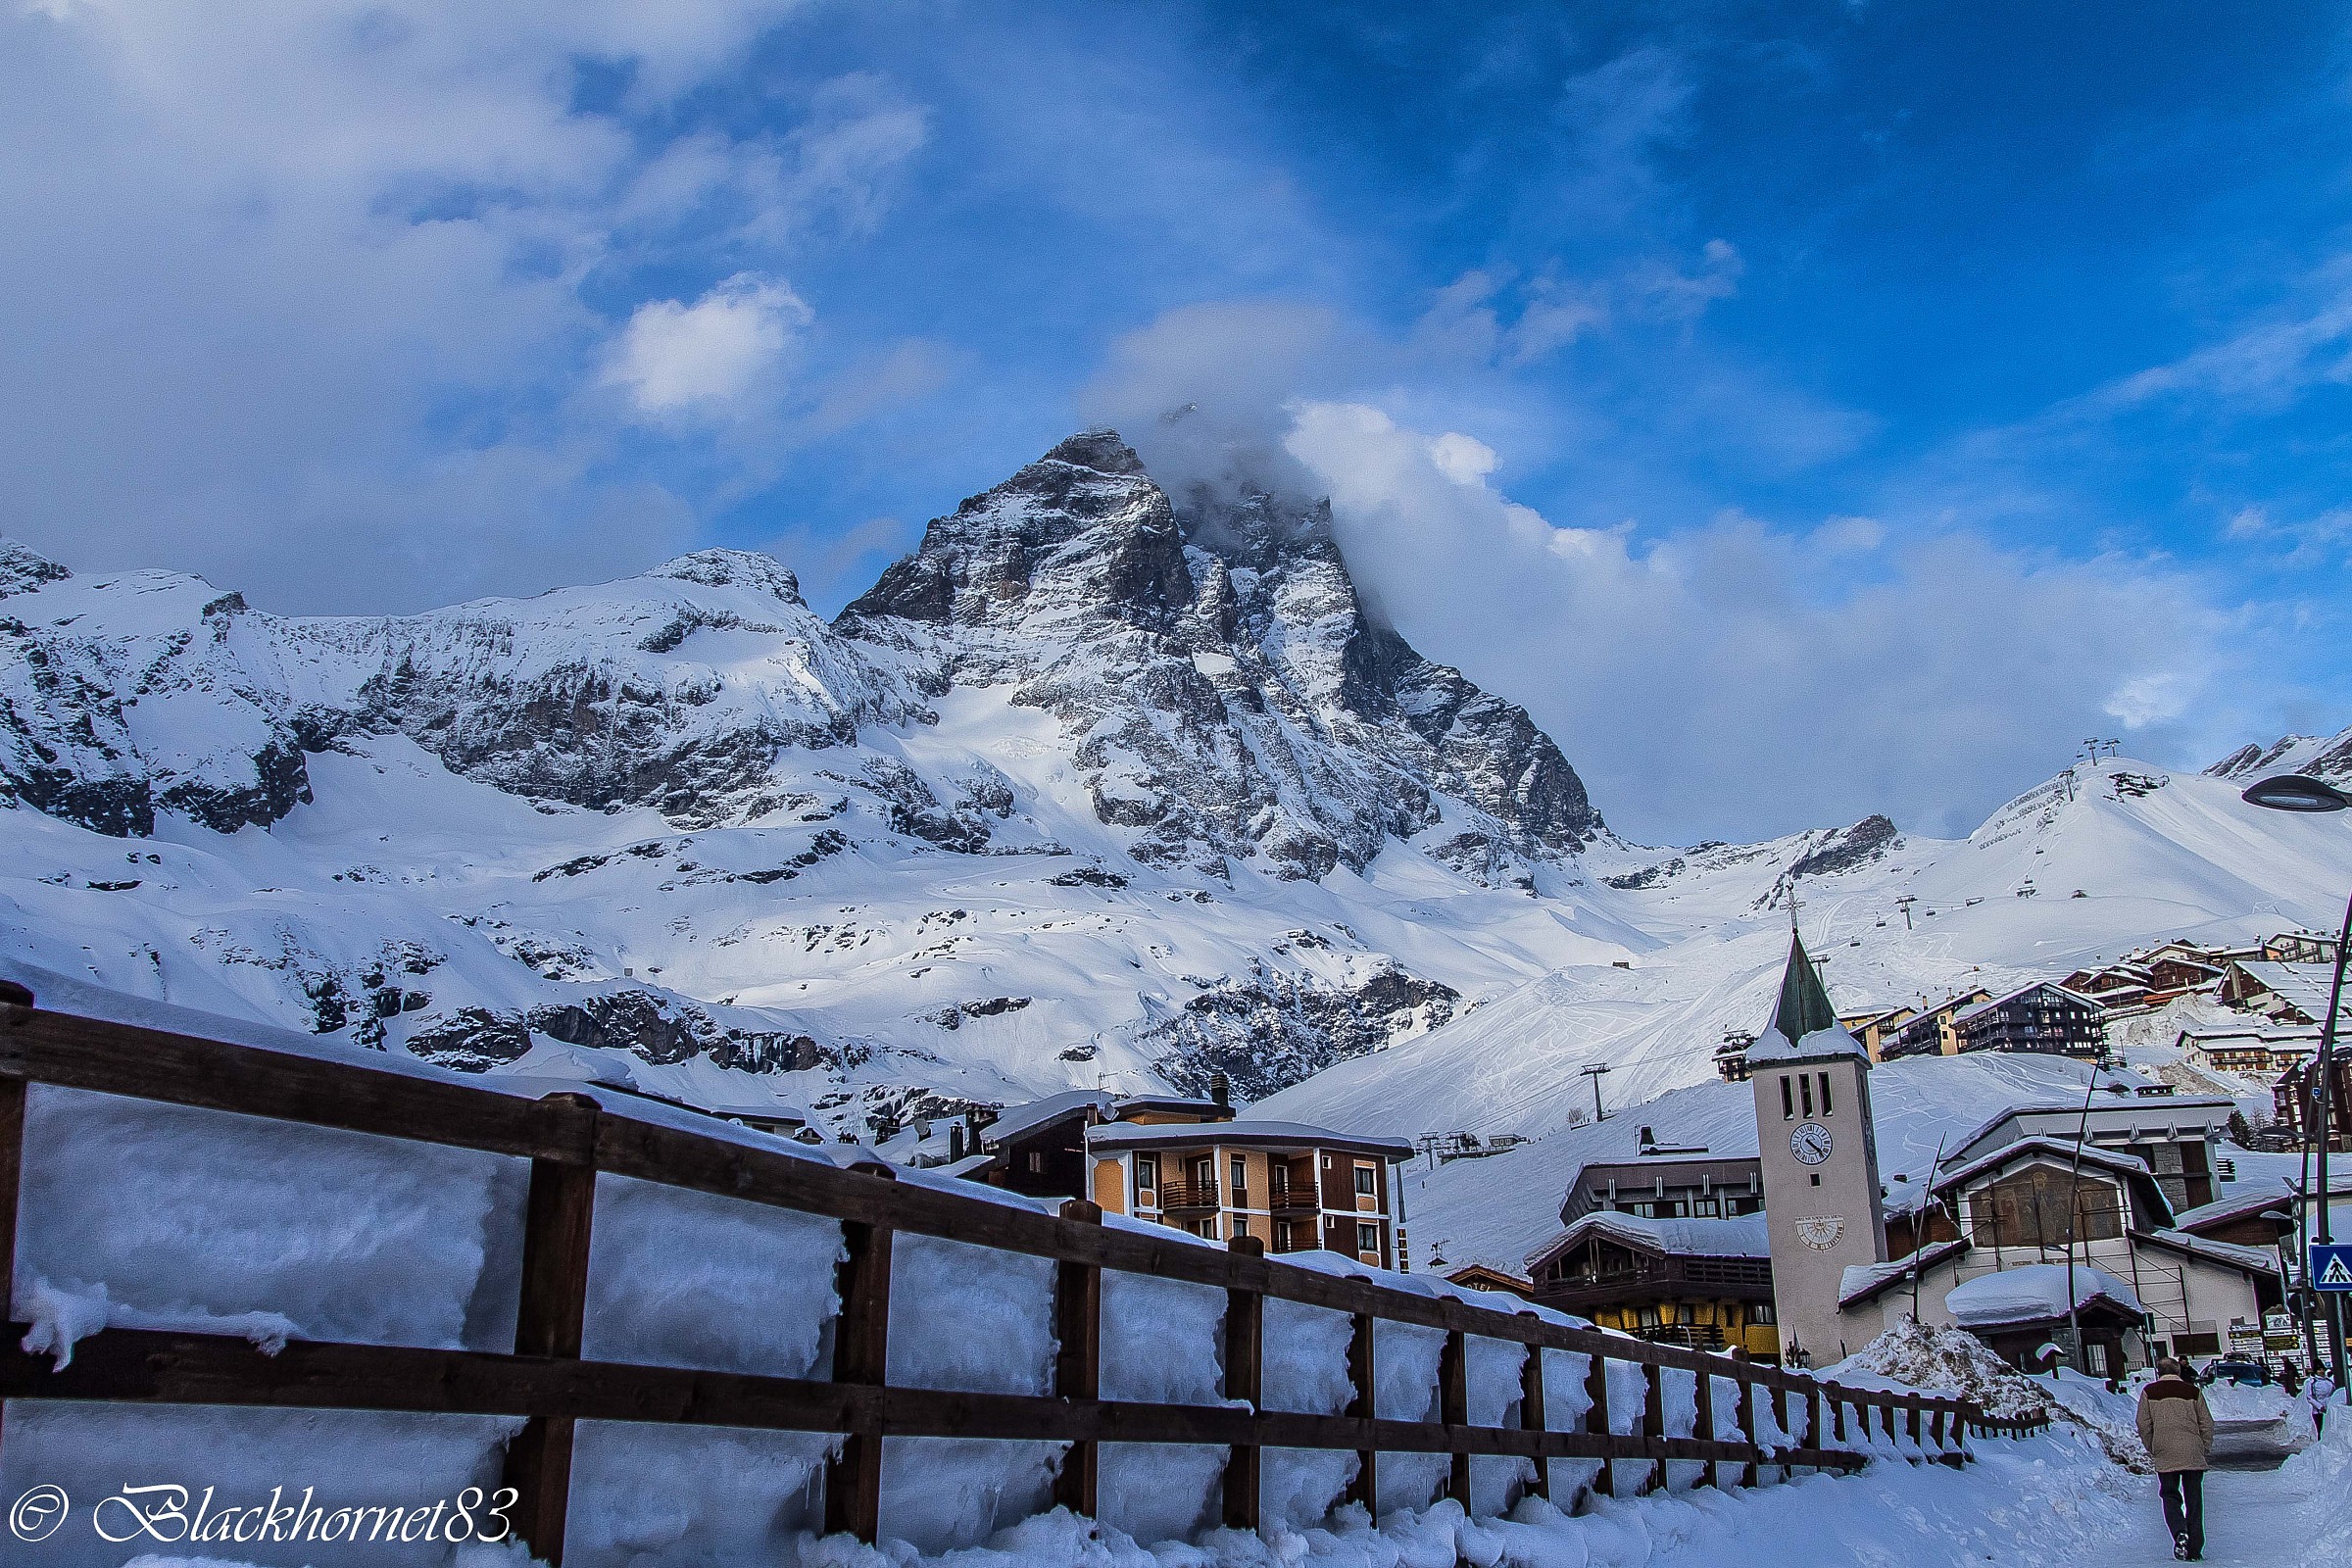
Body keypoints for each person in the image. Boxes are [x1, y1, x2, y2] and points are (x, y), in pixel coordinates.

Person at [2136, 1357, 2215, 1562]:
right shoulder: (2192, 1391)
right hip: (2192, 1452)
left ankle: (2180, 1532)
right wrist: (2203, 1446)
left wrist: (2152, 1445)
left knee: (2170, 1495)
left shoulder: (2149, 1392)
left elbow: (2143, 1423)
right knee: (2194, 1501)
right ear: (2178, 1371)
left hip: (2165, 1451)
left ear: (2159, 1372)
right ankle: (2195, 1549)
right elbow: (2206, 1423)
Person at [2310, 1367, 2337, 1438]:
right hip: (2318, 1411)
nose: (2321, 1371)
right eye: (2319, 1369)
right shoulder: (2312, 1382)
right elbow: (2309, 1397)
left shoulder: (2329, 1381)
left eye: (2323, 1369)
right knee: (2320, 1429)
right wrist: (2319, 1406)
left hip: (2329, 1408)